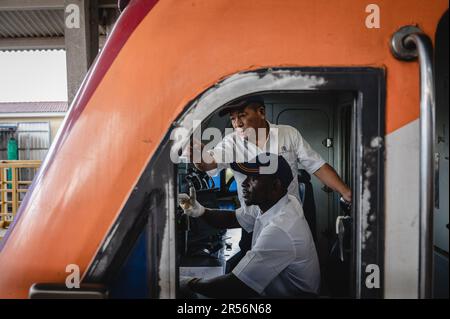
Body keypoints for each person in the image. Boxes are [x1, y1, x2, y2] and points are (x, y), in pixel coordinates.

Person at [190, 95, 351, 257]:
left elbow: (317, 166)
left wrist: (346, 193)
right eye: (233, 119)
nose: (237, 124)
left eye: (242, 116)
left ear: (261, 112)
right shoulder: (231, 142)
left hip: (287, 221)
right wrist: (196, 152)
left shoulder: (288, 134)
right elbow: (207, 163)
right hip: (253, 223)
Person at [178, 154, 320, 298]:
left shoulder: (280, 229)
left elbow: (236, 286)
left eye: (254, 178)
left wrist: (188, 283)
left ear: (275, 186)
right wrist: (200, 211)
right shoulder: (282, 201)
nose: (244, 183)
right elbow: (231, 218)